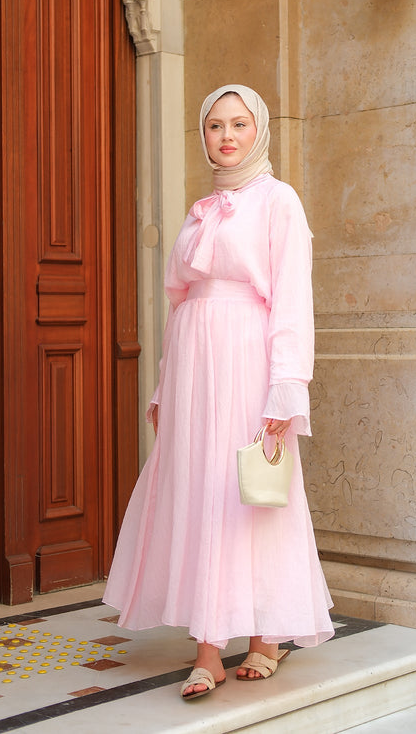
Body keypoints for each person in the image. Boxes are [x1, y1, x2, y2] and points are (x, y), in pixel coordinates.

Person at [103, 84, 334, 699]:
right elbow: (180, 301)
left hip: (246, 361)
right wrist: (162, 383)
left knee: (249, 492)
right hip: (193, 365)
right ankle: (208, 645)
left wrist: (286, 391)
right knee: (201, 489)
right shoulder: (202, 207)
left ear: (258, 129)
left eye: (238, 124)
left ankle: (264, 638)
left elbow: (291, 300)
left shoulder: (279, 201)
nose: (226, 137)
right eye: (214, 126)